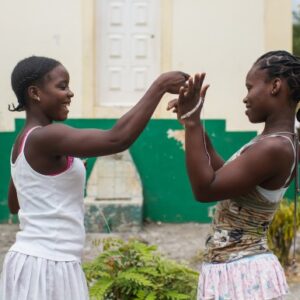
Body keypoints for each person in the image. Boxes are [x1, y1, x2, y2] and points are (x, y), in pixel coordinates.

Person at [0, 55, 189, 300]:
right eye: (62, 86)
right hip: (49, 266)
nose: (70, 93)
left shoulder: (22, 141)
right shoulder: (47, 136)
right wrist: (160, 85)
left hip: (33, 261)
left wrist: (66, 176)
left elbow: (17, 203)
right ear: (35, 93)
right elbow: (116, 139)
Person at [168, 50, 299, 300]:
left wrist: (194, 122)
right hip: (238, 269)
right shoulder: (276, 141)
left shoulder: (274, 147)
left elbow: (205, 189)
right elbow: (222, 173)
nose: (245, 98)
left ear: (275, 86)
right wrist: (191, 121)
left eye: (250, 87)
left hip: (242, 272)